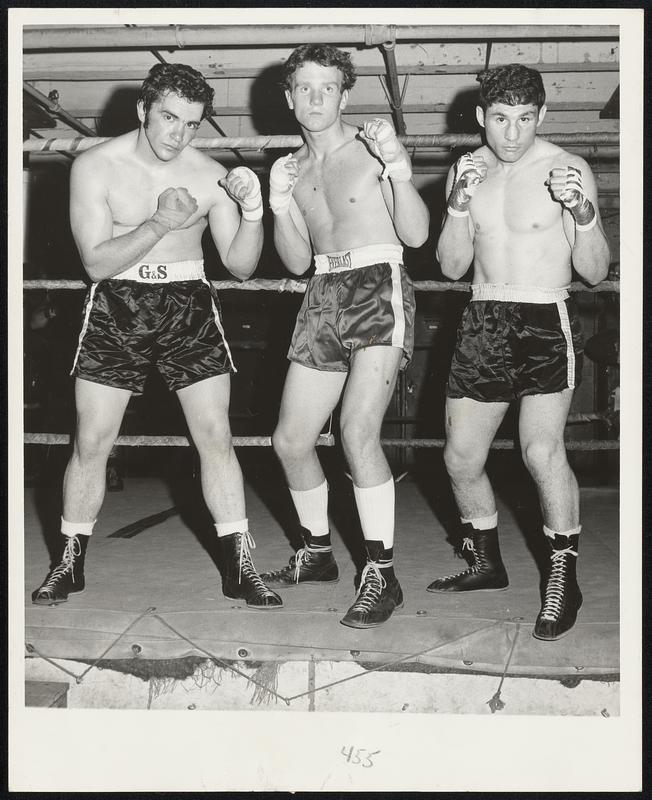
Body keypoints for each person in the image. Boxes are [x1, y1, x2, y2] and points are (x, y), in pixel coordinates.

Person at [32, 63, 282, 610]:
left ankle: (242, 567)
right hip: (117, 302)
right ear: (143, 110)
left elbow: (240, 267)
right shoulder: (96, 167)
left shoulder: (209, 174)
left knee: (215, 435)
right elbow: (96, 264)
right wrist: (159, 224)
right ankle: (69, 563)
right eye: (168, 118)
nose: (178, 134)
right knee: (93, 440)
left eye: (192, 124)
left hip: (188, 304)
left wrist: (253, 211)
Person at [428, 64, 610, 640]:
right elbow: (452, 266)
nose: (512, 134)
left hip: (543, 316)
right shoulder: (468, 168)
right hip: (484, 313)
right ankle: (486, 562)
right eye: (501, 119)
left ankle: (563, 576)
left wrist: (581, 212)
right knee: (460, 458)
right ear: (481, 116)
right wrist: (458, 204)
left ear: (542, 116)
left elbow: (595, 271)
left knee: (539, 450)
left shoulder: (567, 167)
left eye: (525, 119)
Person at [259, 44, 429, 628]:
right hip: (323, 292)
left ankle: (381, 572)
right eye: (303, 88)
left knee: (357, 431)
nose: (314, 98)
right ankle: (317, 552)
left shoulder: (369, 148)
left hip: (379, 283)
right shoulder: (293, 168)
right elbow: (296, 260)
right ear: (288, 97)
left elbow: (416, 233)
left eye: (326, 88)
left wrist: (399, 165)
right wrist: (278, 204)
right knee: (290, 440)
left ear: (344, 95)